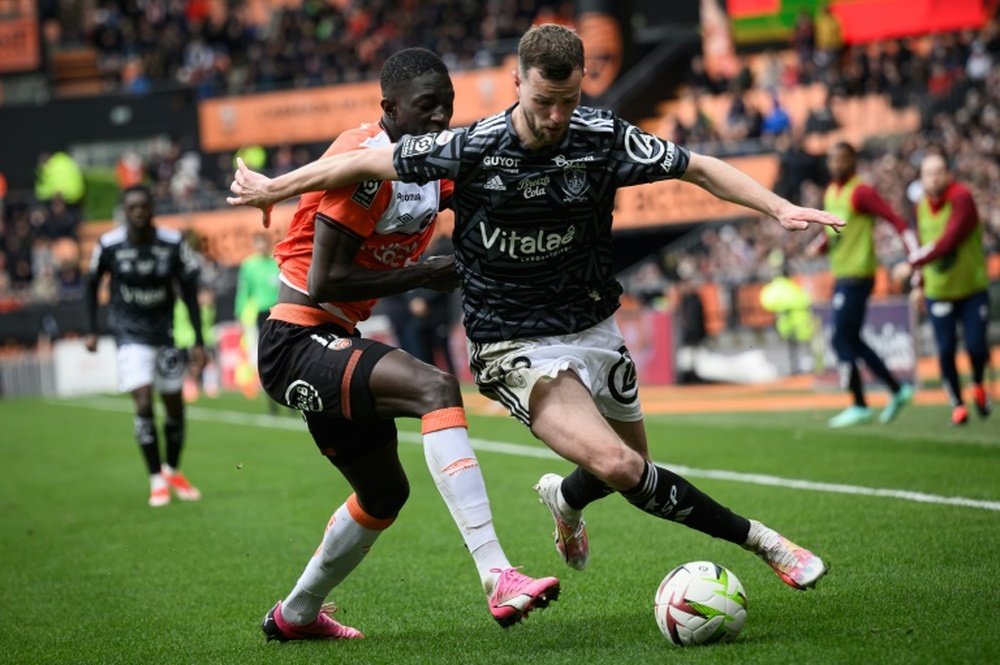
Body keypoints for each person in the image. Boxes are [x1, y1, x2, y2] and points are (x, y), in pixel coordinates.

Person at [229, 25, 846, 595]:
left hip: (593, 326)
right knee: (620, 463)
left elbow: (700, 167)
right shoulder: (470, 148)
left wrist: (779, 208)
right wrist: (271, 188)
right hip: (512, 342)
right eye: (543, 101)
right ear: (516, 85)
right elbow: (360, 160)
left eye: (569, 102)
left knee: (620, 471)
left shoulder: (602, 138)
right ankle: (763, 542)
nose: (555, 118)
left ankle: (565, 501)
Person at [249, 48, 558, 643]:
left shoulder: (434, 165)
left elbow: (481, 189)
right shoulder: (364, 164)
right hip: (296, 337)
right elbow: (324, 281)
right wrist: (421, 274)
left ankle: (295, 616)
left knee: (385, 493)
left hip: (334, 338)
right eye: (425, 106)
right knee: (435, 387)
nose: (440, 116)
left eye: (447, 105)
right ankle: (498, 574)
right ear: (388, 107)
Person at [84, 185, 206, 507]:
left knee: (175, 406)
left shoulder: (173, 243)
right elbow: (91, 283)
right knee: (142, 402)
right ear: (125, 211)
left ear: (152, 208)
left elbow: (190, 292)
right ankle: (155, 480)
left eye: (143, 206)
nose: (138, 212)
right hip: (130, 336)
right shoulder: (109, 245)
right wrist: (92, 330)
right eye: (132, 208)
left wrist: (198, 341)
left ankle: (173, 471)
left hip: (164, 335)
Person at [806, 141, 919, 427]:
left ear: (853, 161)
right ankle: (897, 389)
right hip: (842, 273)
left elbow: (896, 220)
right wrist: (818, 245)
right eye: (832, 159)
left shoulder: (862, 191)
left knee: (840, 338)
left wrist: (914, 259)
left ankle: (859, 403)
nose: (836, 164)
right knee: (852, 339)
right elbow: (833, 229)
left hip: (859, 274)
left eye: (842, 159)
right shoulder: (832, 192)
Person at [904, 151, 991, 425]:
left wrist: (910, 262)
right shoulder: (919, 206)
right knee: (945, 349)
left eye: (939, 171)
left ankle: (977, 383)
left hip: (971, 288)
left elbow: (948, 240)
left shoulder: (961, 198)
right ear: (922, 178)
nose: (934, 177)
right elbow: (920, 242)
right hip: (938, 292)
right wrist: (918, 282)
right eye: (929, 173)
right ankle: (957, 403)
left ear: (948, 173)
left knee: (976, 346)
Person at [234, 231, 280, 412]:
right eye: (257, 243)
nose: (261, 246)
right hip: (259, 314)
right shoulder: (249, 265)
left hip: (277, 312)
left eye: (263, 242)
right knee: (263, 357)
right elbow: (244, 291)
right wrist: (239, 314)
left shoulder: (275, 263)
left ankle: (288, 397)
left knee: (282, 353)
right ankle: (272, 400)